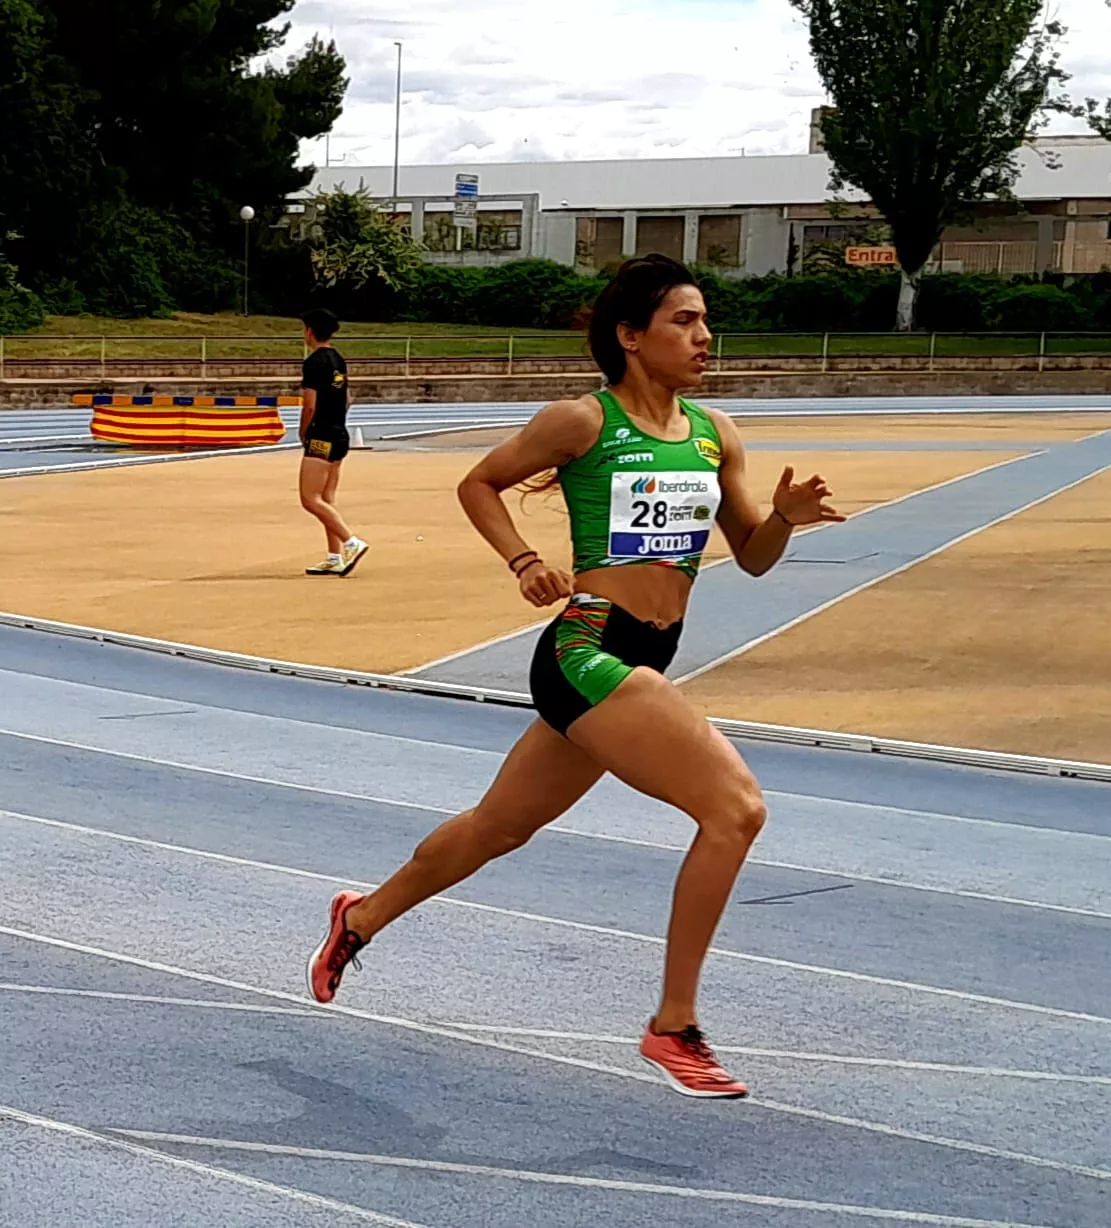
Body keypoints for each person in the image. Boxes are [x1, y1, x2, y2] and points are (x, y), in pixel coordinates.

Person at [305, 255, 845, 1099]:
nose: (705, 337)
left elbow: (753, 556)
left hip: (646, 654)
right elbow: (479, 483)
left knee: (496, 828)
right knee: (736, 810)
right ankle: (674, 1025)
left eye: (706, 321)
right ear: (630, 336)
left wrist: (782, 517)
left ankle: (360, 917)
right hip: (586, 649)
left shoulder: (716, 434)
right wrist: (524, 560)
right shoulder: (582, 421)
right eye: (684, 321)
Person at [299, 308, 369, 577]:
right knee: (327, 497)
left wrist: (304, 431)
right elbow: (347, 398)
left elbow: (310, 404)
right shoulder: (338, 359)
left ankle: (350, 541)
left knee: (310, 498)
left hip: (321, 436)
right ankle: (334, 556)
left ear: (309, 331)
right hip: (339, 433)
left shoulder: (313, 362)